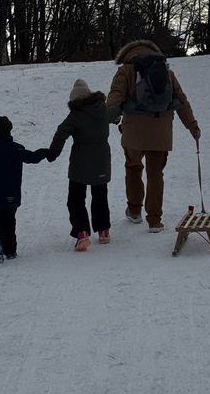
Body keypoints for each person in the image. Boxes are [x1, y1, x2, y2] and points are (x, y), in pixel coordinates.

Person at [106, 40, 200, 232]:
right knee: (156, 174)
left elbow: (116, 95)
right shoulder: (166, 71)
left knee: (133, 168)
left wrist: (109, 115)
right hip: (161, 130)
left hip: (134, 131)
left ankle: (134, 211)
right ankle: (155, 220)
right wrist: (192, 126)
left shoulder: (125, 70)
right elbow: (181, 100)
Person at [0, 115, 48, 262]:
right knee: (9, 222)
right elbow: (32, 157)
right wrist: (45, 152)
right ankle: (11, 250)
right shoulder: (17, 149)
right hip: (13, 195)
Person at [47, 78, 112, 251]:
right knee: (100, 197)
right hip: (102, 162)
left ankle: (82, 232)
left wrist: (53, 152)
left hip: (80, 164)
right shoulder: (103, 109)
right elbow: (115, 114)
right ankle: (104, 231)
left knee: (75, 199)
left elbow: (61, 132)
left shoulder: (76, 115)